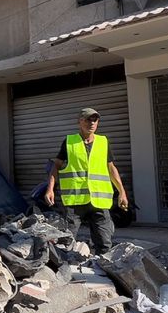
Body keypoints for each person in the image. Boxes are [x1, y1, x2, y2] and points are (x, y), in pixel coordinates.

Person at [43, 106, 128, 254]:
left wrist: (122, 192)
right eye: (88, 119)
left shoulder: (103, 142)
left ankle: (103, 270)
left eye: (95, 120)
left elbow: (111, 168)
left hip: (99, 200)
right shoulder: (70, 142)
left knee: (104, 242)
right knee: (66, 242)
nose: (92, 123)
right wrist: (50, 189)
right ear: (80, 121)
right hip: (75, 200)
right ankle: (63, 269)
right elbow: (56, 166)